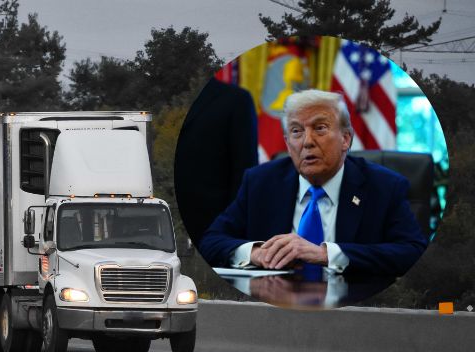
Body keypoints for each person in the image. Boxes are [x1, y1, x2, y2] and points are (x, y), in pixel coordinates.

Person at [199, 89, 428, 277]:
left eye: (320, 128)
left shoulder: (384, 186)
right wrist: (255, 253)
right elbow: (211, 241)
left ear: (345, 139)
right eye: (297, 131)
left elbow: (412, 251)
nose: (307, 142)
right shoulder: (260, 182)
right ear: (288, 145)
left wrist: (327, 255)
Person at [174, 78, 259, 248]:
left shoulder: (235, 100)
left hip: (210, 234)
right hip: (151, 228)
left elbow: (243, 175)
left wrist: (229, 239)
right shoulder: (146, 96)